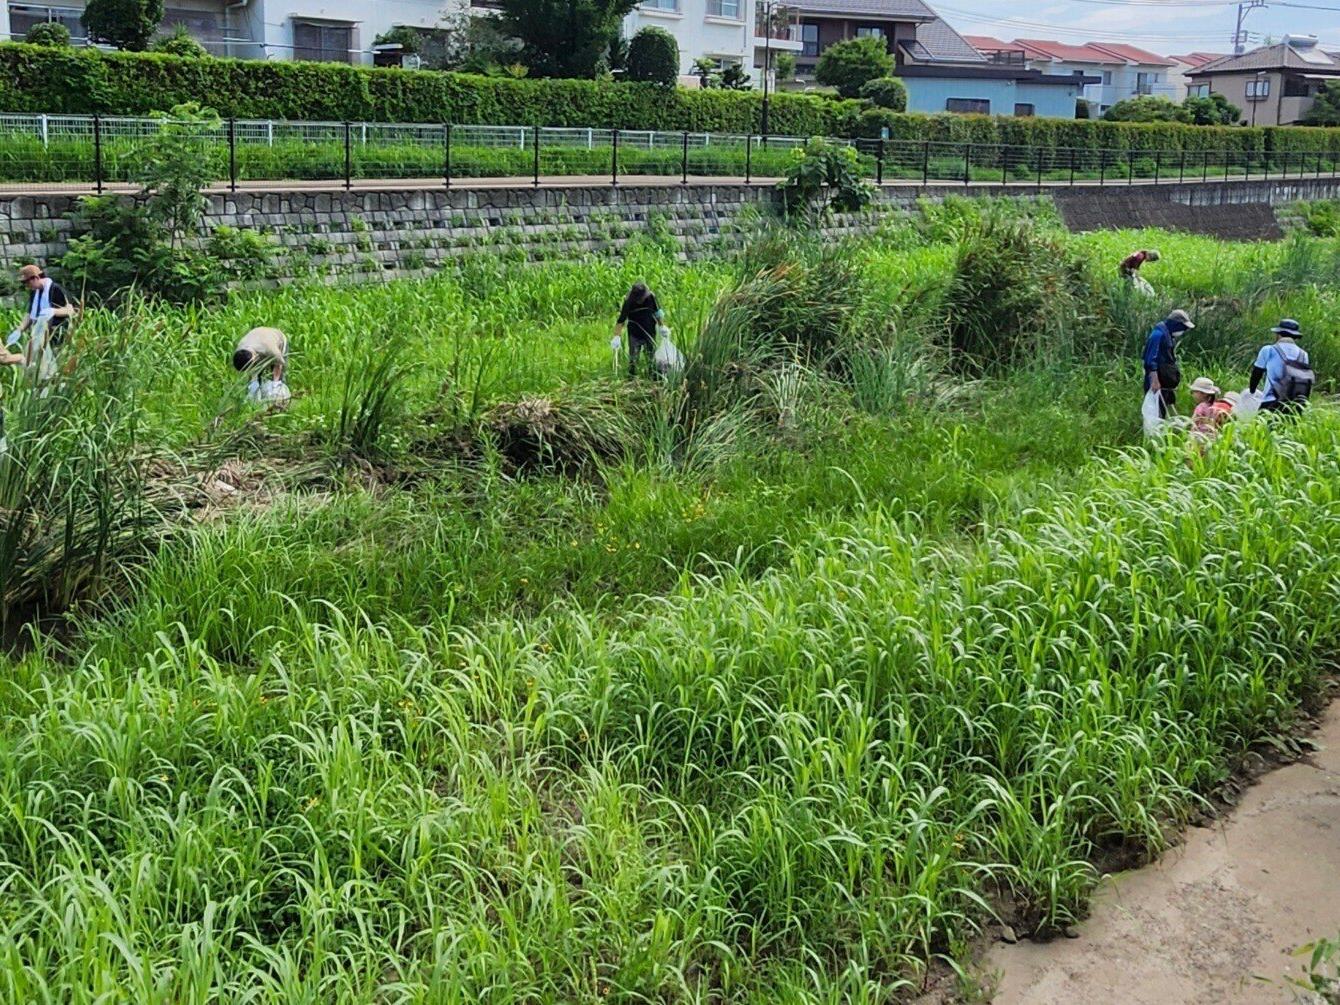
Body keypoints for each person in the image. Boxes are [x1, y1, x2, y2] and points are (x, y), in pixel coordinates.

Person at [1249, 318, 1313, 414]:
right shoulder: (1304, 355)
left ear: (1278, 334)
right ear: (1295, 337)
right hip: (1295, 406)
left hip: (1271, 402)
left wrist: (1252, 391)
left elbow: (1257, 373)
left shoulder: (1268, 350)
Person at [1142, 308, 1195, 418]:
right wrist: (1154, 380)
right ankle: (1154, 434)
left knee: (1164, 409)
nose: (1184, 330)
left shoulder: (1168, 336)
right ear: (1175, 324)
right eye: (1183, 327)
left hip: (1165, 381)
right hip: (1157, 381)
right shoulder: (1157, 335)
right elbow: (1150, 360)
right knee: (1156, 411)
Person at [613, 283, 663, 378]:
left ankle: (652, 375)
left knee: (651, 356)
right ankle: (632, 376)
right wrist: (616, 337)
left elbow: (657, 313)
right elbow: (621, 321)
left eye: (643, 298)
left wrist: (662, 327)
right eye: (640, 299)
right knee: (633, 358)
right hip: (634, 333)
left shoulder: (651, 297)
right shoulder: (628, 301)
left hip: (649, 332)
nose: (642, 300)